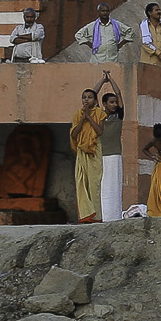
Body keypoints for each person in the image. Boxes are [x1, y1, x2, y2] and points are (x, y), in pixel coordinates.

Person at [70, 86, 104, 222]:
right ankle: (85, 215)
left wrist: (89, 118)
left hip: (94, 150)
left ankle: (97, 216)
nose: (86, 100)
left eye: (89, 97)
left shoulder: (99, 113)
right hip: (81, 150)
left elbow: (100, 131)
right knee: (81, 181)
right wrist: (82, 119)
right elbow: (74, 134)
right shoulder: (77, 114)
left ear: (95, 100)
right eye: (84, 97)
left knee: (94, 183)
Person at [97, 78, 126, 220]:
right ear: (104, 104)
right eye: (111, 102)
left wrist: (111, 80)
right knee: (103, 188)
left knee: (114, 187)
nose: (114, 104)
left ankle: (114, 217)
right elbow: (93, 94)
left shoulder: (118, 117)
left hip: (114, 156)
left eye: (115, 102)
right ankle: (104, 216)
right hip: (99, 156)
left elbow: (119, 93)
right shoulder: (98, 116)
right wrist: (102, 81)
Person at [139, 3, 161, 68]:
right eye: (156, 10)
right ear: (150, 13)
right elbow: (145, 43)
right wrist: (158, 53)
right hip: (148, 62)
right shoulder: (144, 26)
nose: (159, 12)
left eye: (159, 10)